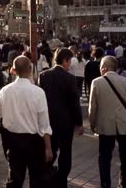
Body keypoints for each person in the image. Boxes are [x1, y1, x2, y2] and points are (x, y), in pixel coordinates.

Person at [0, 56, 53, 188]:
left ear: (13, 70)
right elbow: (44, 124)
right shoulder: (38, 92)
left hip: (13, 141)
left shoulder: (5, 91)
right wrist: (48, 148)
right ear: (30, 69)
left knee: (14, 180)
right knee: (36, 179)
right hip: (34, 142)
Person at [89, 56, 126, 188]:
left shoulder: (96, 82)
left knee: (104, 158)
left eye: (100, 67)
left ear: (104, 68)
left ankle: (105, 184)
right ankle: (124, 184)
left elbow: (93, 107)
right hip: (124, 126)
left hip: (105, 126)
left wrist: (93, 125)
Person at [39, 48, 83, 188]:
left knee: (49, 149)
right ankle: (62, 180)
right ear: (65, 61)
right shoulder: (70, 78)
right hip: (65, 122)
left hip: (48, 121)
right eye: (69, 61)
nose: (70, 64)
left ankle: (46, 176)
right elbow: (75, 102)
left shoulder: (43, 75)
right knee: (65, 151)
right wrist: (79, 122)